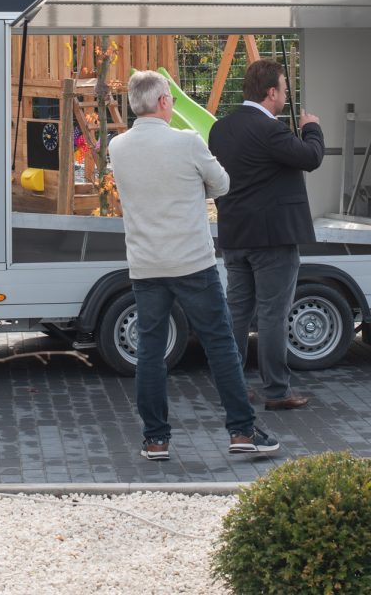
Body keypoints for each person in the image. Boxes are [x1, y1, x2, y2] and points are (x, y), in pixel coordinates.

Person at [107, 70, 279, 461]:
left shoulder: (118, 147)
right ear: (164, 102)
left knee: (150, 352)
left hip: (146, 265)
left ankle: (156, 440)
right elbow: (222, 184)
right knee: (220, 345)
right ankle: (241, 431)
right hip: (192, 262)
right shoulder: (187, 142)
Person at [208, 59, 324, 410]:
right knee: (274, 314)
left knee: (238, 313)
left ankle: (233, 387)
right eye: (284, 90)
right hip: (273, 240)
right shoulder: (269, 130)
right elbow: (310, 157)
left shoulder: (220, 129)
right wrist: (311, 128)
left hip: (235, 237)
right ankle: (277, 391)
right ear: (271, 92)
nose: (286, 96)